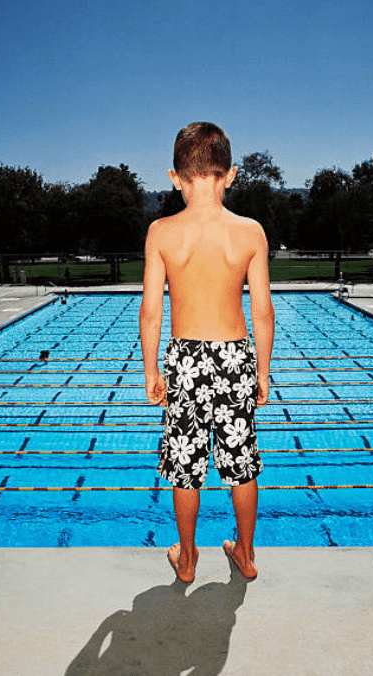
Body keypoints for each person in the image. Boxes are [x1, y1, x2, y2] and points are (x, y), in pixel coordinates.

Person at [140, 122, 274, 584]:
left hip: (185, 361)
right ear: (231, 174)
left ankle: (188, 559)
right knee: (241, 464)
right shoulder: (250, 233)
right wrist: (264, 373)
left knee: (185, 467)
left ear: (175, 176)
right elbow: (262, 315)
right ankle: (246, 554)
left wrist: (151, 369)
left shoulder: (161, 232)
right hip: (236, 358)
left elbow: (150, 314)